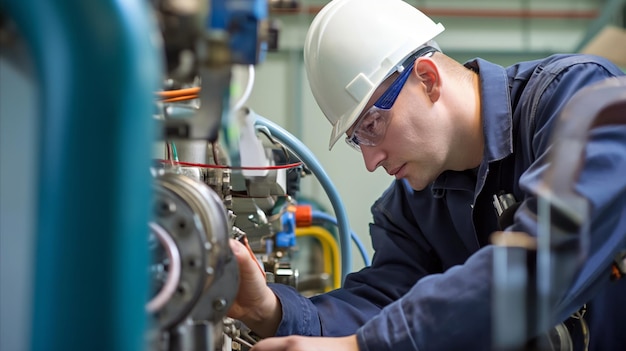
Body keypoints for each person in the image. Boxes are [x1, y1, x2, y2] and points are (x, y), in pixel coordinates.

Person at [226, 0, 626, 350]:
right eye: (356, 140)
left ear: (427, 80)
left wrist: (365, 347)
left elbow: (541, 266)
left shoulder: (581, 100)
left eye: (371, 126)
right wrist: (270, 309)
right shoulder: (411, 205)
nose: (370, 161)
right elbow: (384, 303)